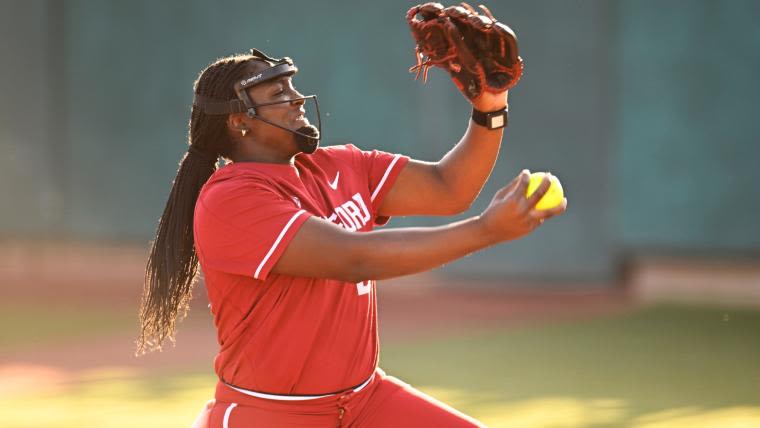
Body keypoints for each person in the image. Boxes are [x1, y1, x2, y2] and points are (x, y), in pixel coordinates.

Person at [138, 48, 566, 427]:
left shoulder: (340, 165)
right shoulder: (229, 198)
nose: (297, 100)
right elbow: (354, 259)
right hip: (271, 414)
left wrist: (490, 105)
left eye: (292, 86)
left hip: (366, 401)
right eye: (277, 94)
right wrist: (486, 231)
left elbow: (448, 186)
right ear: (238, 122)